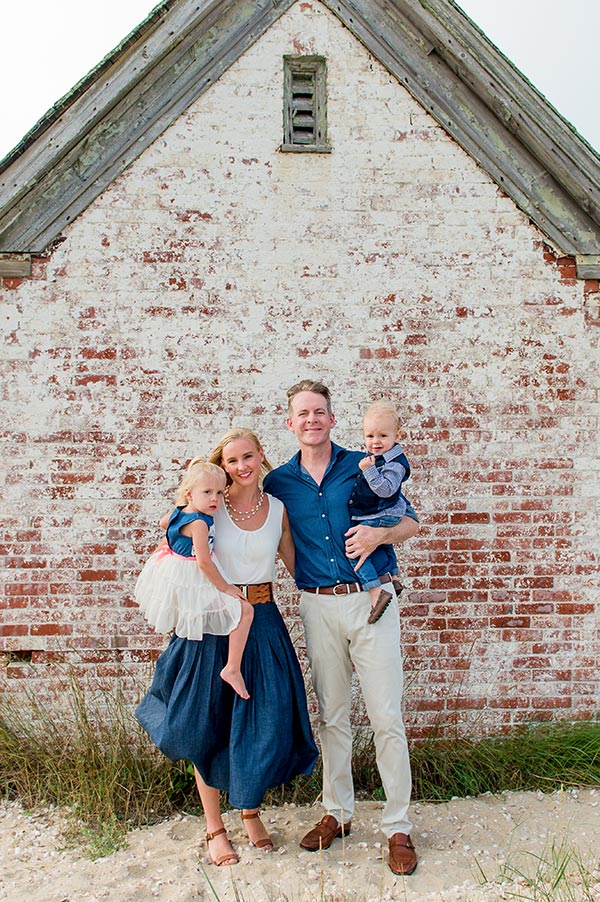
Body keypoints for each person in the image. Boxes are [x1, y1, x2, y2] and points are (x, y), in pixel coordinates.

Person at [135, 428, 318, 868]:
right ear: (222, 465)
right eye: (232, 460)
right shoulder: (208, 506)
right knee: (207, 723)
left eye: (248, 457)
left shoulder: (278, 509)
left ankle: (250, 811)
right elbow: (173, 546)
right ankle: (215, 828)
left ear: (260, 456)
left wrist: (356, 584)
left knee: (263, 719)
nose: (241, 467)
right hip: (213, 623)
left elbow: (299, 566)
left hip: (262, 620)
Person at [264, 380, 420, 876]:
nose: (311, 420)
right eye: (302, 413)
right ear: (290, 423)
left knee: (386, 716)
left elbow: (411, 523)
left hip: (372, 601)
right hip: (319, 606)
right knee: (332, 716)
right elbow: (275, 536)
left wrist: (378, 535)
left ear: (332, 419)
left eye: (320, 412)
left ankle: (397, 826)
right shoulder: (278, 483)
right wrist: (306, 582)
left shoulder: (366, 465)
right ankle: (337, 813)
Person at [134, 456, 253, 699]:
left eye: (219, 493)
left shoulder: (179, 512)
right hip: (194, 576)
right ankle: (231, 668)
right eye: (207, 492)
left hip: (174, 570)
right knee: (245, 610)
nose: (214, 499)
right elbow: (204, 562)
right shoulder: (199, 523)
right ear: (189, 494)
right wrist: (227, 587)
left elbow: (164, 523)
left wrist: (174, 543)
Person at [348, 400, 411, 625]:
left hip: (383, 512)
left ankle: (375, 591)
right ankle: (393, 576)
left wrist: (368, 470)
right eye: (370, 436)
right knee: (384, 544)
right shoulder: (378, 456)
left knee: (355, 549)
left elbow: (386, 489)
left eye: (383, 436)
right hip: (383, 512)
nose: (375, 441)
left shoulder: (395, 463)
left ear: (397, 435)